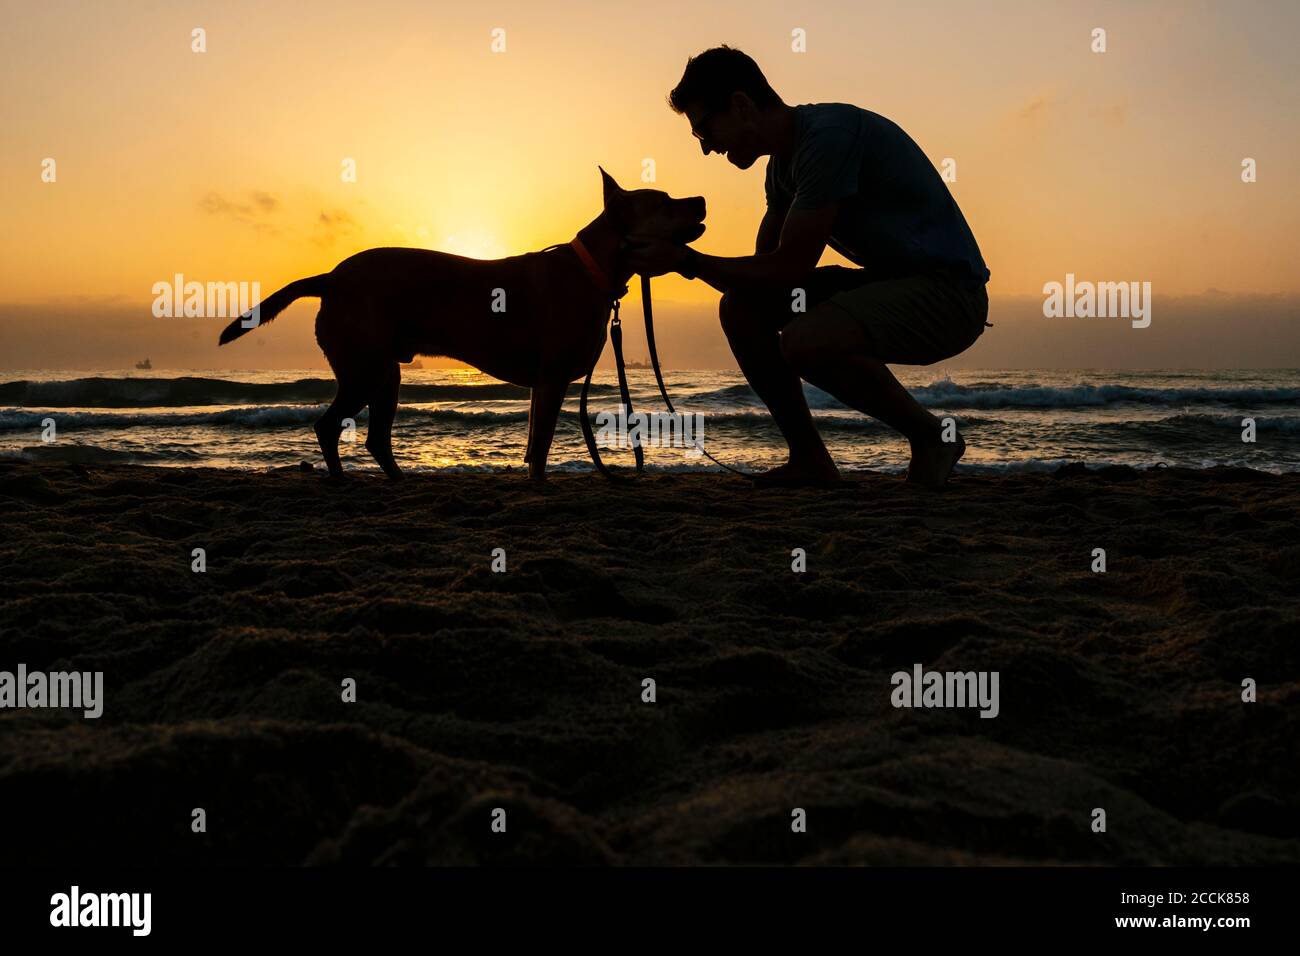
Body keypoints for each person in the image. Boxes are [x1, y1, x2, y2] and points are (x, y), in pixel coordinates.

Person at [625, 46, 991, 487]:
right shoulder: (781, 168)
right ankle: (810, 459)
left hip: (950, 295)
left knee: (804, 341)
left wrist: (686, 262)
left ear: (741, 105)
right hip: (892, 284)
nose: (706, 148)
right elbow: (764, 278)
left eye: (705, 129)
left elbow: (789, 270)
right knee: (741, 309)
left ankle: (932, 437)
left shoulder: (828, 138)